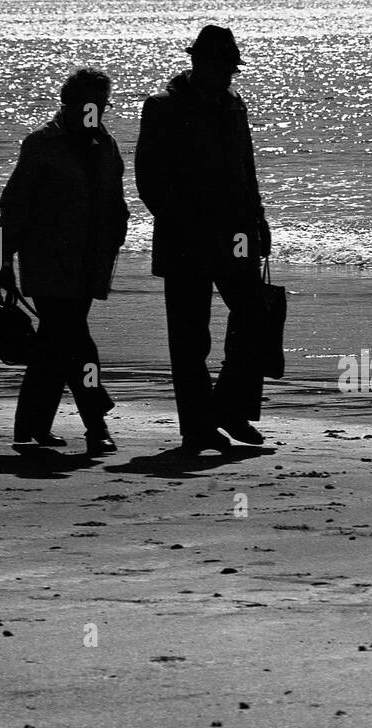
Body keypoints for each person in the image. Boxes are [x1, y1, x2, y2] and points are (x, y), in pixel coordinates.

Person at [135, 25, 271, 454]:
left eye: (232, 67)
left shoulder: (234, 106)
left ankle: (229, 409)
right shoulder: (162, 107)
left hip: (235, 235)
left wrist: (259, 221)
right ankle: (197, 427)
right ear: (199, 62)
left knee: (254, 314)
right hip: (184, 238)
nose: (229, 75)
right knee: (190, 339)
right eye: (224, 66)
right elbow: (149, 180)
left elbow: (246, 171)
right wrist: (183, 221)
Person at [0, 68, 130, 457]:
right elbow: (14, 206)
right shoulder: (42, 144)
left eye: (100, 105)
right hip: (47, 261)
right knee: (74, 338)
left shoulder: (106, 146)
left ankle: (30, 428)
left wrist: (114, 240)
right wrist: (1, 263)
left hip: (90, 263)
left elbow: (116, 202)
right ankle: (96, 421)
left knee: (56, 343)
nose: (94, 111)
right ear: (67, 103)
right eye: (87, 104)